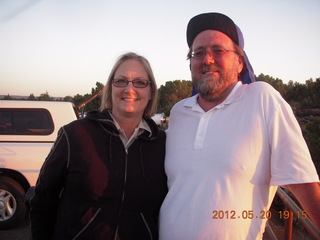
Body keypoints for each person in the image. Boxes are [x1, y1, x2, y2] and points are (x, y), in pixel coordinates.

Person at [159, 12, 320, 240]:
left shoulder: (262, 99)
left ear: (239, 62)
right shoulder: (179, 112)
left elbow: (303, 181)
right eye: (199, 53)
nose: (207, 59)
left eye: (218, 50)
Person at [30, 52, 168, 240]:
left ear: (151, 91)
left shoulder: (162, 143)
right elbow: (43, 200)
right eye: (121, 81)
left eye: (140, 82)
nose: (129, 89)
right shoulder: (75, 135)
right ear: (110, 87)